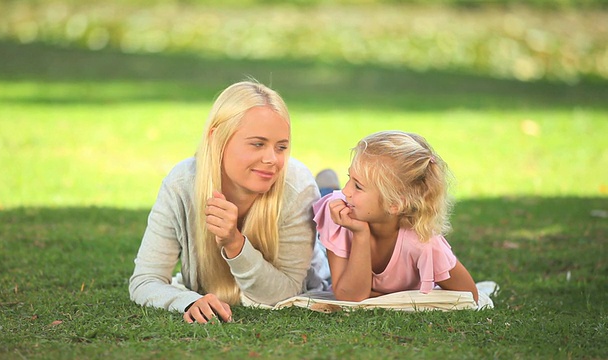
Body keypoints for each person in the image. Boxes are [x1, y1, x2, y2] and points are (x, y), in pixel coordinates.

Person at [129, 80, 329, 324]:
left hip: (320, 249)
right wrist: (188, 301)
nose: (272, 160)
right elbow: (145, 279)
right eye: (258, 144)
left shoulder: (297, 187)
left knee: (331, 218)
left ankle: (329, 190)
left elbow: (285, 293)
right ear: (217, 137)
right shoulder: (181, 184)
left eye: (281, 147)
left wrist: (235, 244)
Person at [313, 130, 479, 303]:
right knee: (319, 201)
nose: (346, 190)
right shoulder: (338, 211)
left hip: (359, 208)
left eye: (358, 186)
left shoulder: (423, 243)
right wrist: (361, 234)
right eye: (349, 178)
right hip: (340, 212)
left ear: (395, 204)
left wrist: (361, 234)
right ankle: (326, 187)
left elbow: (469, 296)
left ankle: (327, 184)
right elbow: (348, 296)